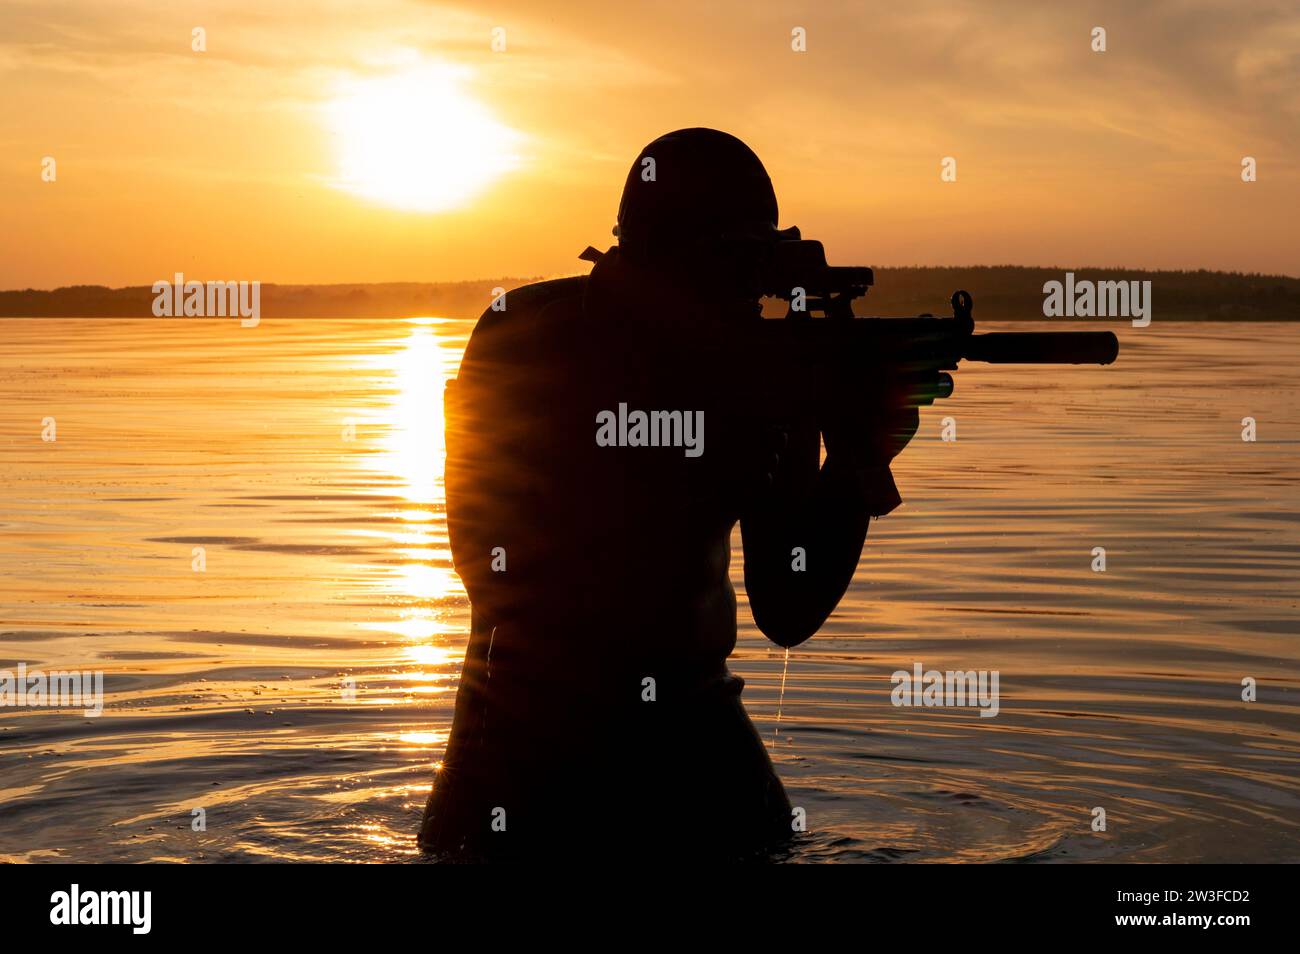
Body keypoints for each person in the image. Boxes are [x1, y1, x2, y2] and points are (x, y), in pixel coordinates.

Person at [419, 128, 920, 860]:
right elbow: (786, 603)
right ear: (691, 256)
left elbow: (787, 605)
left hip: (593, 754)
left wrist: (841, 449)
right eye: (741, 267)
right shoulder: (546, 339)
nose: (752, 298)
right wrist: (817, 455)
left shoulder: (521, 330)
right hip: (596, 764)